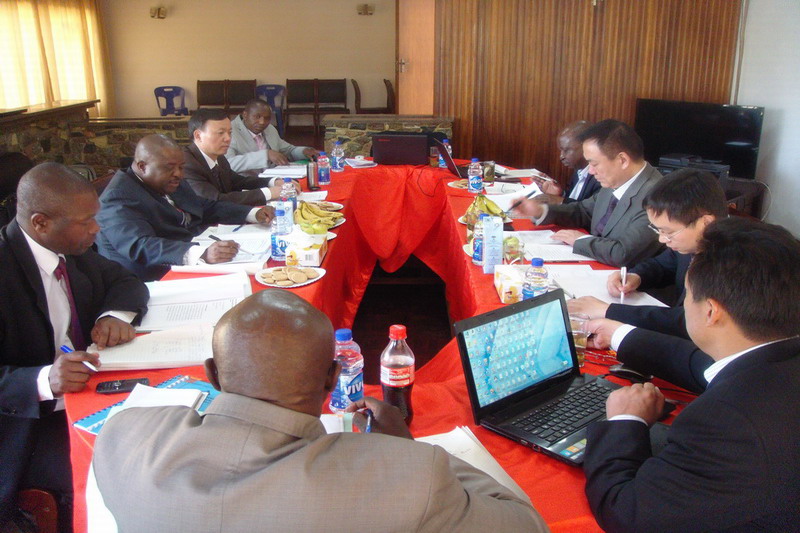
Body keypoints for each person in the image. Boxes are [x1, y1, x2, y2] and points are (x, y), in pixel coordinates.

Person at [91, 290, 547, 533]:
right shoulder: (411, 480)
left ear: (211, 374)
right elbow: (526, 524)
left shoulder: (122, 435)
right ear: (332, 379)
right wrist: (413, 451)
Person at [583, 217, 800, 532]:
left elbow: (628, 513)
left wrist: (625, 420)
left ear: (711, 311)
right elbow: (709, 369)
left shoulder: (728, 423)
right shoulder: (774, 358)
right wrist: (618, 334)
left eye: (687, 295)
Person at [0, 163, 148, 532]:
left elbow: (126, 280)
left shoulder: (71, 249)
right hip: (27, 423)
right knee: (127, 474)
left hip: (88, 391)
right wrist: (42, 380)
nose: (97, 228)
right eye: (86, 221)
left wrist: (113, 315)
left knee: (160, 441)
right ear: (41, 223)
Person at [567, 169, 729, 392]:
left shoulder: (733, 264)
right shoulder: (695, 240)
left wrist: (609, 311)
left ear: (705, 222)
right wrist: (637, 276)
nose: (662, 239)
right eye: (657, 230)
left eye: (668, 232)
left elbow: (687, 320)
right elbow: (667, 262)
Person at [96, 135, 274, 281]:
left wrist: (252, 213)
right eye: (170, 168)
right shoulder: (117, 197)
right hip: (152, 277)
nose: (179, 174)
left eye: (181, 167)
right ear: (142, 166)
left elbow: (203, 206)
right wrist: (201, 254)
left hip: (190, 256)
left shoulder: (167, 179)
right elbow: (141, 245)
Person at [513, 119, 663, 267]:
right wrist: (540, 211)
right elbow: (584, 211)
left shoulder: (657, 196)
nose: (590, 171)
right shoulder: (615, 179)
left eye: (594, 163)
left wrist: (580, 240)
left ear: (622, 160)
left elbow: (623, 253)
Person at [183, 108, 298, 206]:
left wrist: (274, 182)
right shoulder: (186, 163)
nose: (228, 138)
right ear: (198, 136)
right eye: (220, 133)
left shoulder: (219, 157)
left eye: (230, 132)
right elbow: (215, 200)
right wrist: (269, 193)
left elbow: (238, 181)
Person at [225, 98, 319, 172]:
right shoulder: (229, 132)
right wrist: (265, 155)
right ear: (245, 115)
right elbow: (228, 164)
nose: (262, 122)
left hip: (274, 180)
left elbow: (288, 150)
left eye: (267, 118)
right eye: (257, 117)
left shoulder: (269, 129)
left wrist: (303, 151)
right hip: (246, 184)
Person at [532, 120, 601, 204]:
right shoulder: (578, 170)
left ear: (586, 146)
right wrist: (561, 194)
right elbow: (574, 200)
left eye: (566, 150)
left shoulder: (600, 178)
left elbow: (589, 210)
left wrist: (560, 201)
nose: (561, 157)